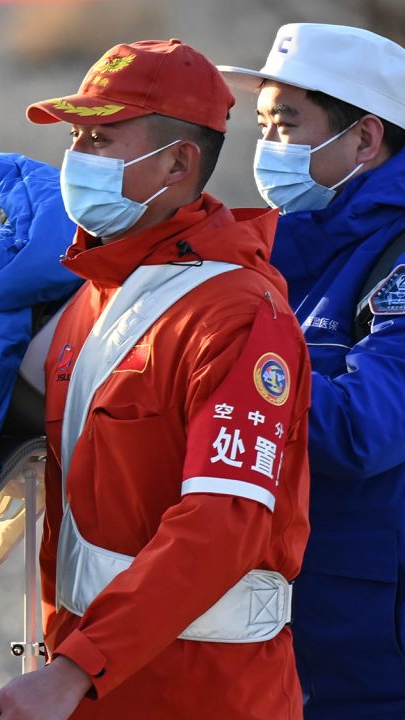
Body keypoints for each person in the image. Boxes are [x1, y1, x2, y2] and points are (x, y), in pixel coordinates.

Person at [0, 39, 311, 720]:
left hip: (206, 692)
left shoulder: (238, 314)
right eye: (75, 137)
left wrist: (74, 670)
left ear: (179, 162)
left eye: (101, 139)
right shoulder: (96, 292)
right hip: (93, 682)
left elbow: (224, 523)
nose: (77, 157)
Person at [218, 23, 405, 720]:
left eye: (288, 125)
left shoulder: (395, 259)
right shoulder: (282, 249)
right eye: (264, 125)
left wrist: (222, 364)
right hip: (284, 617)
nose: (269, 146)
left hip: (372, 645)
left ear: (365, 139)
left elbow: (362, 431)